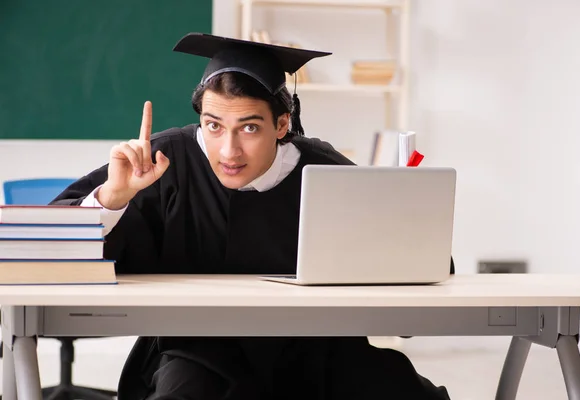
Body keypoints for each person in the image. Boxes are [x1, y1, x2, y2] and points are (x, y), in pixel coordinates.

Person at [51, 33, 452, 400]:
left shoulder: (325, 169)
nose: (228, 151)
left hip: (315, 348)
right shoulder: (160, 160)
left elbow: (429, 270)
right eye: (213, 126)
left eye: (249, 128)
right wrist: (112, 197)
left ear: (282, 124)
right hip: (196, 348)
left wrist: (403, 222)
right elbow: (44, 244)